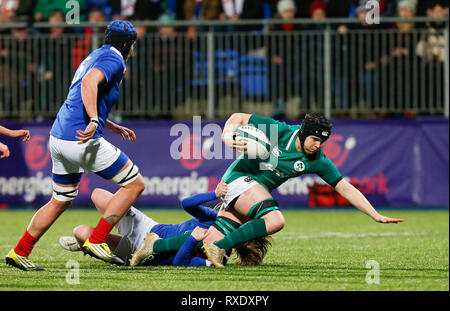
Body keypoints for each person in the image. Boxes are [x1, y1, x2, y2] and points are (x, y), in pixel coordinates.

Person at [5, 20, 146, 271]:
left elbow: (83, 93)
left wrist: (109, 124)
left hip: (59, 137)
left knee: (60, 199)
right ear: (129, 44)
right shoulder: (115, 59)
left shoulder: (96, 54)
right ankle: (98, 239)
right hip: (80, 138)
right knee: (134, 184)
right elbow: (88, 84)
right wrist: (94, 120)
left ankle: (20, 251)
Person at [198, 112, 404, 267]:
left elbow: (344, 187)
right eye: (315, 139)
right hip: (236, 181)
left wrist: (375, 214)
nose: (318, 145)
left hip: (249, 192)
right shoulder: (279, 131)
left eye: (322, 141)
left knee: (202, 251)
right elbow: (238, 117)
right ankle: (221, 245)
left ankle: (166, 245)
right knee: (275, 220)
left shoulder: (317, 160)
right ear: (304, 133)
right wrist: (227, 136)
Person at [61, 182, 271, 267]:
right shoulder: (211, 219)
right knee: (99, 195)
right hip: (148, 229)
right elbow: (187, 203)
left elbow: (180, 263)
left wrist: (191, 239)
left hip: (141, 256)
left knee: (80, 232)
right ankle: (93, 243)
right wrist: (213, 194)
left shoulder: (218, 256)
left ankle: (87, 246)